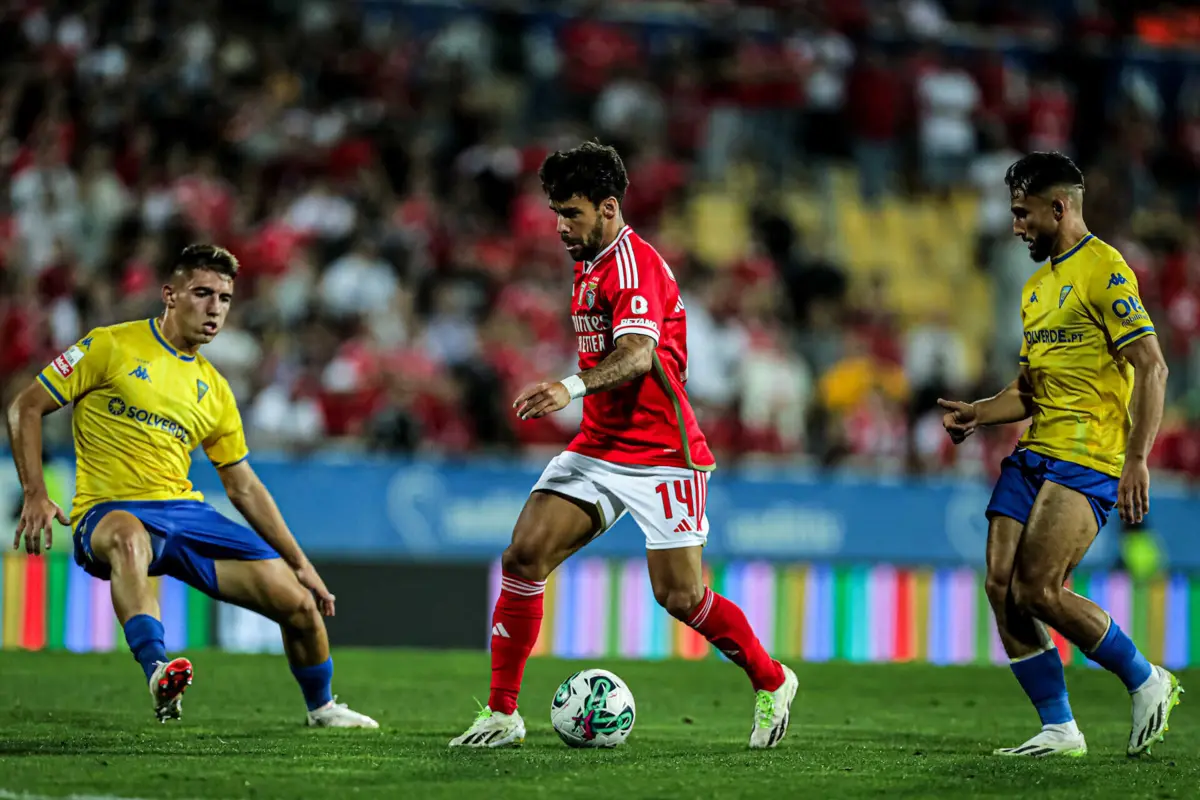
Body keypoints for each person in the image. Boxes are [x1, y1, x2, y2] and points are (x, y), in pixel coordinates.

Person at [448, 141, 798, 749]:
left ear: (609, 208)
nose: (560, 227)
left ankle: (772, 680)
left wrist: (570, 385)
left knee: (680, 596)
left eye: (572, 214)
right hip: (600, 444)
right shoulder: (590, 258)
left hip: (663, 452)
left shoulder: (634, 268)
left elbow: (638, 355)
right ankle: (503, 713)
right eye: (557, 212)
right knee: (523, 556)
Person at [7, 244, 377, 728]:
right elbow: (25, 407)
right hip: (107, 511)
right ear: (170, 295)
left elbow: (243, 486)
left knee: (300, 605)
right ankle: (158, 670)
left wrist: (299, 562)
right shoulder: (109, 345)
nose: (214, 308)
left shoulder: (216, 389)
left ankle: (322, 708)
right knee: (127, 537)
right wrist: (35, 491)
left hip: (185, 516)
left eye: (224, 298)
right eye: (202, 293)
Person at [938, 152, 1181, 757]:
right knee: (1001, 585)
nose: (1016, 226)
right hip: (1036, 449)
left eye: (1023, 214)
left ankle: (1147, 679)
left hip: (1089, 454)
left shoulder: (1105, 269)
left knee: (1039, 590)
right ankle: (1059, 728)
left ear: (1058, 207)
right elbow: (1027, 390)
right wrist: (979, 410)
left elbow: (1152, 366)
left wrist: (1137, 458)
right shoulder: (1036, 289)